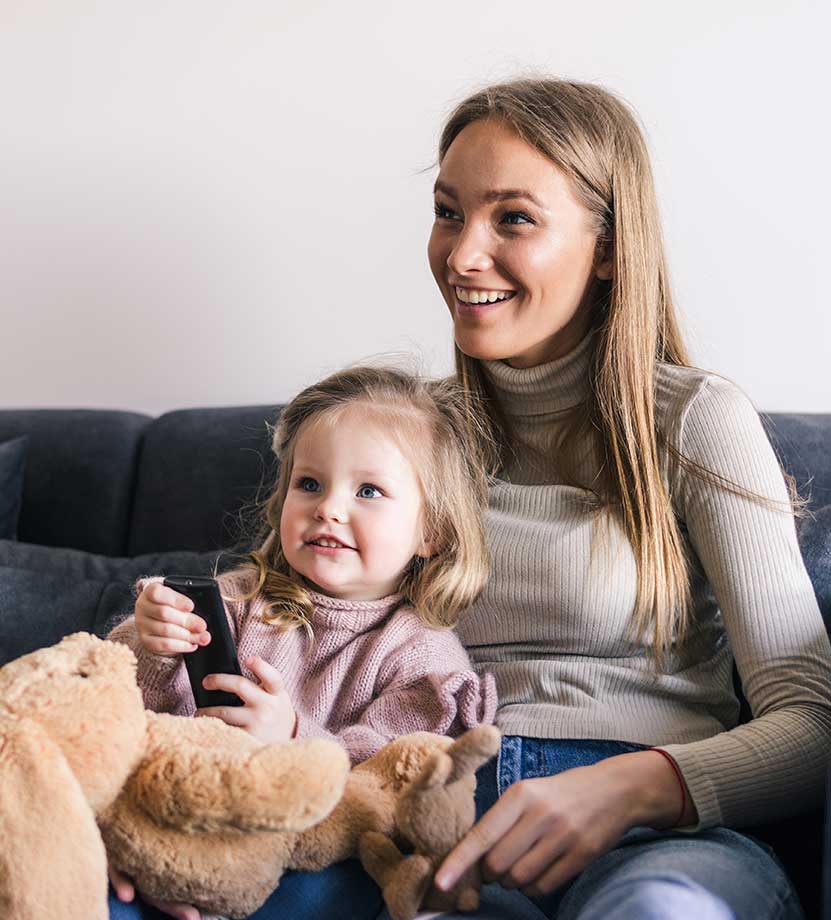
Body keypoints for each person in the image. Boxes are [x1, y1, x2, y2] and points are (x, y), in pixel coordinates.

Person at [413, 78, 831, 920]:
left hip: (656, 835)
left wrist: (636, 787)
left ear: (607, 248)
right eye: (448, 212)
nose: (461, 256)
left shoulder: (692, 419)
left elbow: (811, 717)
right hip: (443, 826)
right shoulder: (404, 435)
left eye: (513, 218)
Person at [106, 366, 497, 920]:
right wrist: (154, 644)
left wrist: (292, 737)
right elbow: (120, 706)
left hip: (312, 861)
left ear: (431, 530)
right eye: (309, 483)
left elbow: (389, 781)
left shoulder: (423, 657)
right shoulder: (239, 600)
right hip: (190, 822)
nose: (328, 508)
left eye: (368, 491)